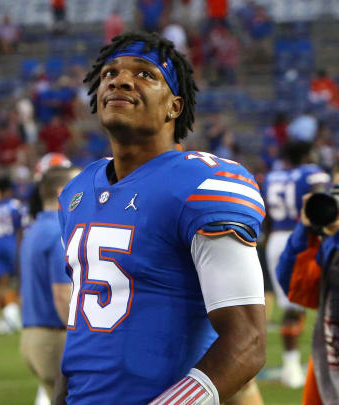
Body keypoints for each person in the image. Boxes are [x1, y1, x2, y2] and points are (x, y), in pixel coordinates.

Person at [53, 31, 266, 404]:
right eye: (110, 73)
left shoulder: (202, 183)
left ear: (175, 107)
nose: (119, 80)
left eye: (146, 75)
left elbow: (247, 341)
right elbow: (82, 331)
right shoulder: (77, 191)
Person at [262, 140, 330, 388]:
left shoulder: (272, 177)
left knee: (291, 308)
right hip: (305, 237)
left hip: (276, 241)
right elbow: (321, 204)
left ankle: (291, 369)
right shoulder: (313, 173)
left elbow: (266, 215)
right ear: (307, 154)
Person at [276, 184, 339, 405]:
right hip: (329, 361)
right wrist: (306, 231)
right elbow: (298, 290)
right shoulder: (331, 244)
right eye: (335, 192)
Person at [20, 166, 78, 405]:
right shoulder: (57, 231)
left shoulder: (33, 230)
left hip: (33, 335)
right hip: (55, 337)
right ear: (62, 191)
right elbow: (62, 296)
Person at [0, 176, 26, 333]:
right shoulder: (15, 205)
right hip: (12, 243)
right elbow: (22, 227)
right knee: (20, 281)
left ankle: (3, 319)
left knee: (0, 284)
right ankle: (15, 314)